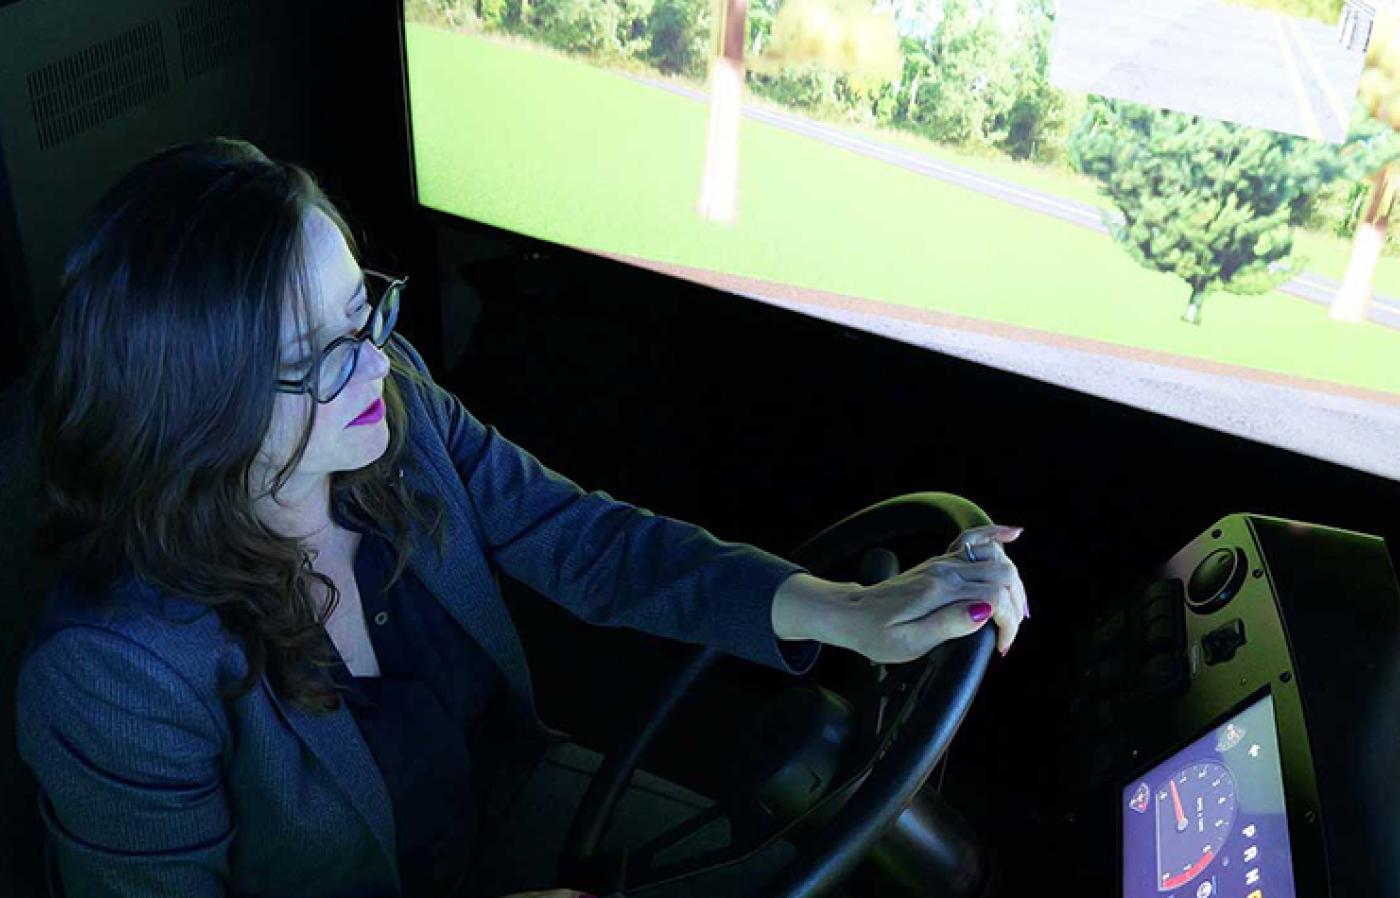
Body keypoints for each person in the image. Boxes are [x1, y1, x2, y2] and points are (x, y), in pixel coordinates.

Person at [11, 137, 1029, 898]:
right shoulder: (110, 676)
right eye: (321, 353)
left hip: (517, 804)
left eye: (362, 305)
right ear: (199, 406)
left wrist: (840, 609)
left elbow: (581, 538)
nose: (372, 358)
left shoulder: (386, 401)